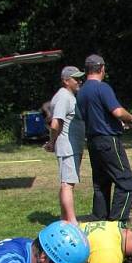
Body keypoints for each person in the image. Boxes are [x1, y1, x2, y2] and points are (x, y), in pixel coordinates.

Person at [76, 54, 132, 223]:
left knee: (101, 183)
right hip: (108, 141)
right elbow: (117, 112)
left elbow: (86, 116)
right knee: (125, 183)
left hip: (93, 141)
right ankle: (117, 222)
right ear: (102, 68)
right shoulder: (102, 88)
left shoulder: (81, 92)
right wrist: (130, 118)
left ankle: (99, 217)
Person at [44, 66, 86, 224]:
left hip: (73, 146)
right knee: (67, 184)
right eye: (76, 79)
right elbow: (55, 124)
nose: (79, 81)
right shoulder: (63, 97)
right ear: (66, 81)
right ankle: (72, 221)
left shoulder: (70, 96)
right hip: (67, 147)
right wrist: (52, 142)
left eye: (80, 78)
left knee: (68, 183)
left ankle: (64, 219)